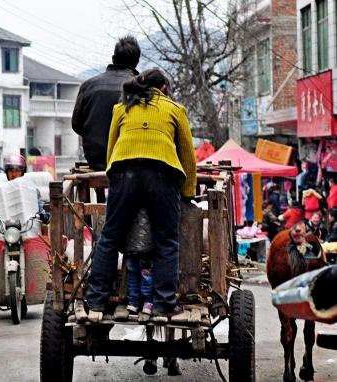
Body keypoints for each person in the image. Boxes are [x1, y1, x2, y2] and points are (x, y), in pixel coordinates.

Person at [85, 68, 197, 323]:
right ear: (164, 89)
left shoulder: (121, 108)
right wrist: (187, 193)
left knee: (110, 235)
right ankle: (163, 304)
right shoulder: (175, 109)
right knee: (166, 240)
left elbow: (111, 150)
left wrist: (117, 186)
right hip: (163, 174)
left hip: (125, 172)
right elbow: (188, 158)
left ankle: (97, 301)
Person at [72, 36, 140, 201]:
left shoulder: (88, 85)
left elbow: (76, 125)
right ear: (137, 62)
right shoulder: (140, 88)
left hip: (96, 161)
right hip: (129, 162)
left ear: (113, 58)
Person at [3, 154, 50, 223]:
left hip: (28, 227)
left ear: (22, 172)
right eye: (11, 171)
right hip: (5, 228)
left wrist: (43, 215)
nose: (14, 174)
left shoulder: (32, 190)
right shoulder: (1, 190)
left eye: (17, 171)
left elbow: (40, 208)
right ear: (7, 173)